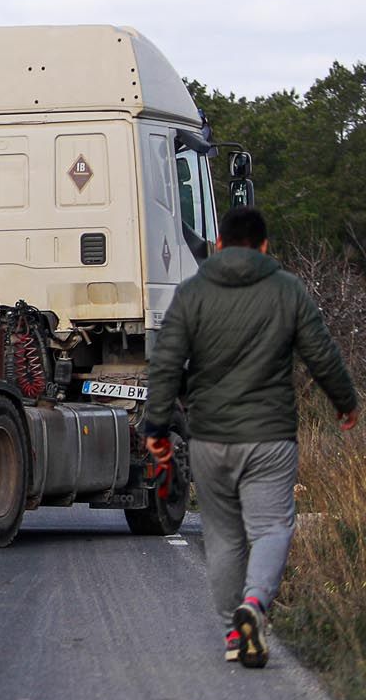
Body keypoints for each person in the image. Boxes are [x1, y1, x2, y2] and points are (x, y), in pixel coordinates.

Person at [143, 204, 357, 668]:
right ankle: (255, 605)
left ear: (219, 244)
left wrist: (156, 427)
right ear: (264, 246)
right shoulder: (287, 289)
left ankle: (234, 635)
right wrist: (346, 403)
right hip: (269, 438)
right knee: (272, 527)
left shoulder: (192, 292)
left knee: (222, 538)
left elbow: (164, 365)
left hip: (209, 438)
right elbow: (321, 354)